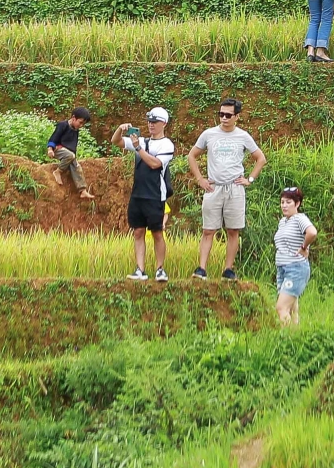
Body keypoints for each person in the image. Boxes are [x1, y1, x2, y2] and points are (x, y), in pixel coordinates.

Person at [190, 98, 266, 281]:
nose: (223, 118)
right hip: (214, 187)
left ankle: (228, 269)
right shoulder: (209, 134)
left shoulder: (243, 136)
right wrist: (200, 179)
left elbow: (260, 158)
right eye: (221, 114)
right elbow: (192, 155)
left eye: (228, 115)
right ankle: (201, 269)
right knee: (209, 229)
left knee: (233, 230)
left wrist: (249, 179)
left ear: (236, 117)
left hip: (235, 187)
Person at [118, 108, 175, 281]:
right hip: (138, 194)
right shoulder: (141, 140)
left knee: (157, 232)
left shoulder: (166, 144)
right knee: (138, 232)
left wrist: (138, 148)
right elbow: (117, 142)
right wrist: (120, 130)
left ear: (163, 124)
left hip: (155, 195)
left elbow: (155, 164)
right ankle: (140, 269)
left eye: (155, 122)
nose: (151, 124)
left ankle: (160, 269)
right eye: (149, 121)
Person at [273, 186, 317, 326]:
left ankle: (286, 340)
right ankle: (295, 338)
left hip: (295, 268)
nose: (284, 206)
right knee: (292, 309)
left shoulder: (299, 218)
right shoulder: (283, 222)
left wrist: (304, 247)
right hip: (283, 268)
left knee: (281, 308)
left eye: (288, 202)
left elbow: (312, 232)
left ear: (297, 204)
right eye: (282, 202)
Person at [46, 107, 97, 197]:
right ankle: (58, 171)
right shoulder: (62, 125)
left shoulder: (75, 130)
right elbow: (54, 137)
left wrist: (74, 159)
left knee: (77, 166)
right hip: (58, 149)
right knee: (71, 155)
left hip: (69, 153)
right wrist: (50, 149)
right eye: (80, 122)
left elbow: (73, 145)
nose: (81, 125)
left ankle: (82, 190)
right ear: (73, 118)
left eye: (83, 124)